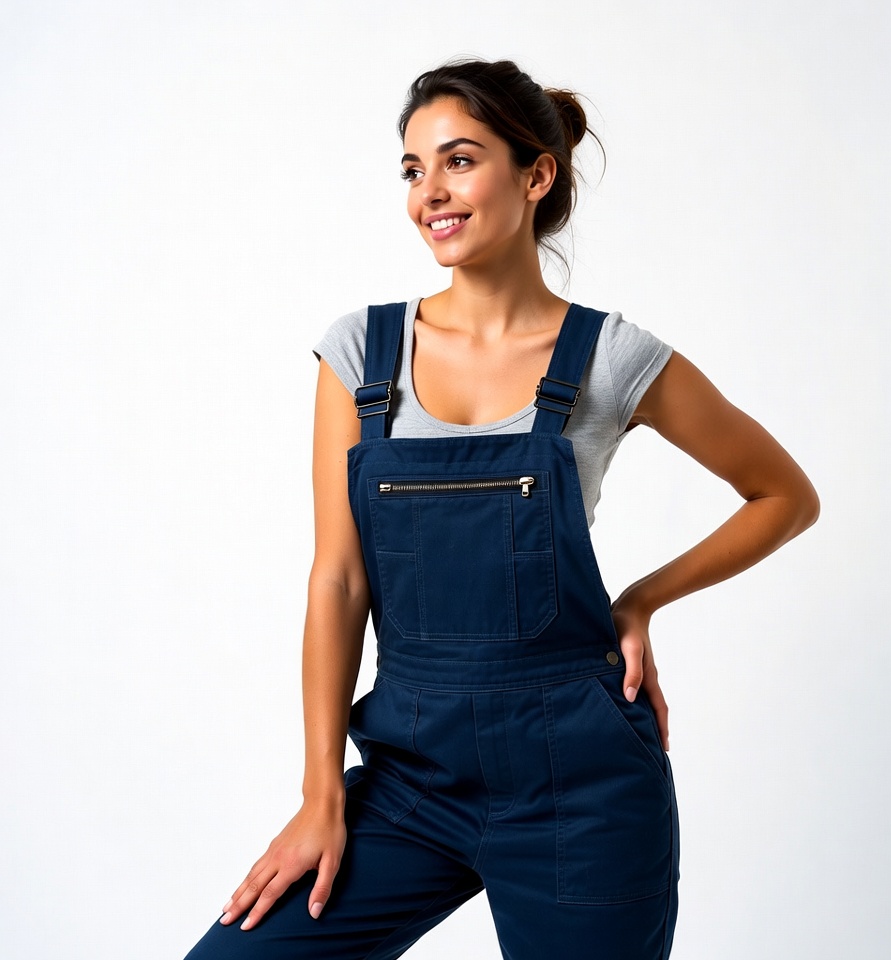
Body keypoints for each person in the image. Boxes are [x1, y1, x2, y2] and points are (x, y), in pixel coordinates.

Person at [184, 58, 819, 960]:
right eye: (412, 169)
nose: (429, 193)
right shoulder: (358, 354)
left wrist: (638, 601)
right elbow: (337, 579)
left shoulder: (611, 357)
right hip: (412, 778)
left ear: (535, 174)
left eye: (458, 161)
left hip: (585, 790)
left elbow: (785, 496)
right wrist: (321, 797)